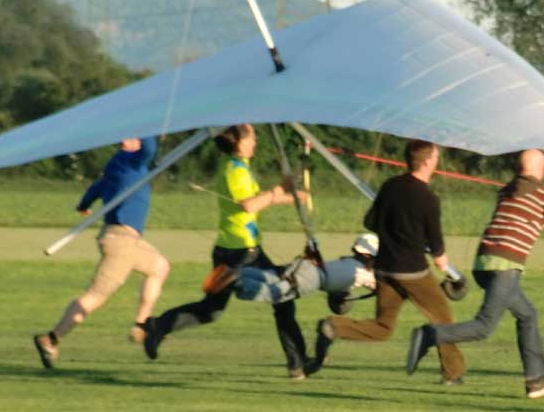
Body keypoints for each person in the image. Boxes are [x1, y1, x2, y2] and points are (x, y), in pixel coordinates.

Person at [404, 149, 544, 399]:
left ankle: (535, 380)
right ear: (543, 169)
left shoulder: (509, 189)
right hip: (505, 266)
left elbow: (530, 221)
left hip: (484, 264)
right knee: (484, 327)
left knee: (527, 315)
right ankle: (429, 335)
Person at [141, 124, 312, 378]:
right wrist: (280, 188)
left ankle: (158, 325)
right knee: (283, 299)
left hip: (236, 250)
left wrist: (293, 196)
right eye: (252, 136)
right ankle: (298, 363)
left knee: (212, 310)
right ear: (240, 142)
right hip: (242, 254)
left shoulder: (238, 167)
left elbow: (259, 199)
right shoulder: (235, 170)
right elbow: (249, 205)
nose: (255, 140)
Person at [312, 140, 467, 384]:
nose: (437, 160)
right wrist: (449, 269)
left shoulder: (390, 186)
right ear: (427, 162)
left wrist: (394, 231)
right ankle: (452, 373)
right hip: (413, 273)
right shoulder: (428, 199)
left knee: (383, 328)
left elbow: (371, 222)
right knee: (443, 320)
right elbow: (437, 253)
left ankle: (333, 327)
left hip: (384, 269)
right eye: (436, 157)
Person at [33, 137, 169, 369]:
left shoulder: (118, 163)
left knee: (160, 266)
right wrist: (152, 126)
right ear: (129, 142)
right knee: (95, 296)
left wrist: (84, 205)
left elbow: (97, 187)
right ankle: (51, 339)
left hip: (126, 240)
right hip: (121, 242)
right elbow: (149, 148)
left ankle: (141, 325)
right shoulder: (132, 160)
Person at [231, 233, 379, 305]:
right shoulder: (363, 273)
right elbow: (381, 287)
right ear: (370, 256)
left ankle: (237, 273)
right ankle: (236, 283)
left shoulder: (347, 261)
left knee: (274, 278)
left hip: (307, 266)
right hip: (313, 278)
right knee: (276, 293)